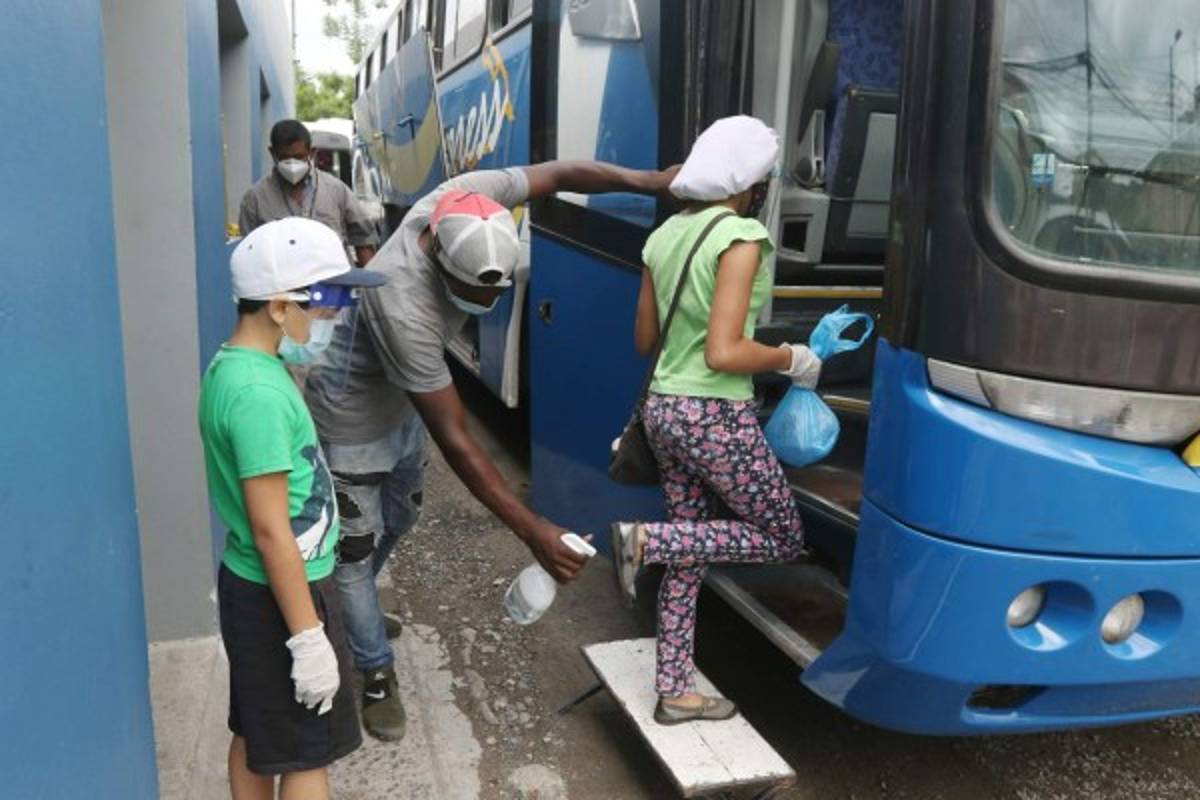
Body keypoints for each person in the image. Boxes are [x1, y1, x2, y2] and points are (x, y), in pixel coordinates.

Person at [302, 161, 678, 741]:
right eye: (473, 294)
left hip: (401, 409)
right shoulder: (402, 305)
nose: (487, 304)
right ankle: (374, 668)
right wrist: (533, 530)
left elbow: (560, 173)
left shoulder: (466, 200)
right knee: (354, 550)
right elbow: (457, 439)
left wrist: (650, 182)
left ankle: (354, 612)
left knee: (400, 517)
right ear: (438, 258)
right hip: (351, 421)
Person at [608, 117, 821, 725]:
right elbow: (725, 353)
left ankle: (676, 691)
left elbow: (645, 340)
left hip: (663, 412)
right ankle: (646, 541)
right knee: (781, 535)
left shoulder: (663, 238)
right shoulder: (742, 237)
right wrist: (791, 357)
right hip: (714, 416)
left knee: (693, 550)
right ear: (751, 183)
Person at [198, 217, 387, 799]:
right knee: (308, 754)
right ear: (280, 307)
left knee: (258, 735)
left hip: (260, 586)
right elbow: (270, 529)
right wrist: (307, 637)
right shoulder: (258, 394)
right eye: (329, 304)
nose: (336, 318)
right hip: (284, 594)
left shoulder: (241, 366)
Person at [239, 119, 378, 266]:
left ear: (312, 152)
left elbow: (364, 240)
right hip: (285, 279)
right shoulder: (254, 200)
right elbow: (249, 255)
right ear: (272, 153)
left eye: (299, 157)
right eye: (284, 158)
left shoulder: (336, 190)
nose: (292, 164)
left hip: (334, 278)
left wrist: (369, 278)